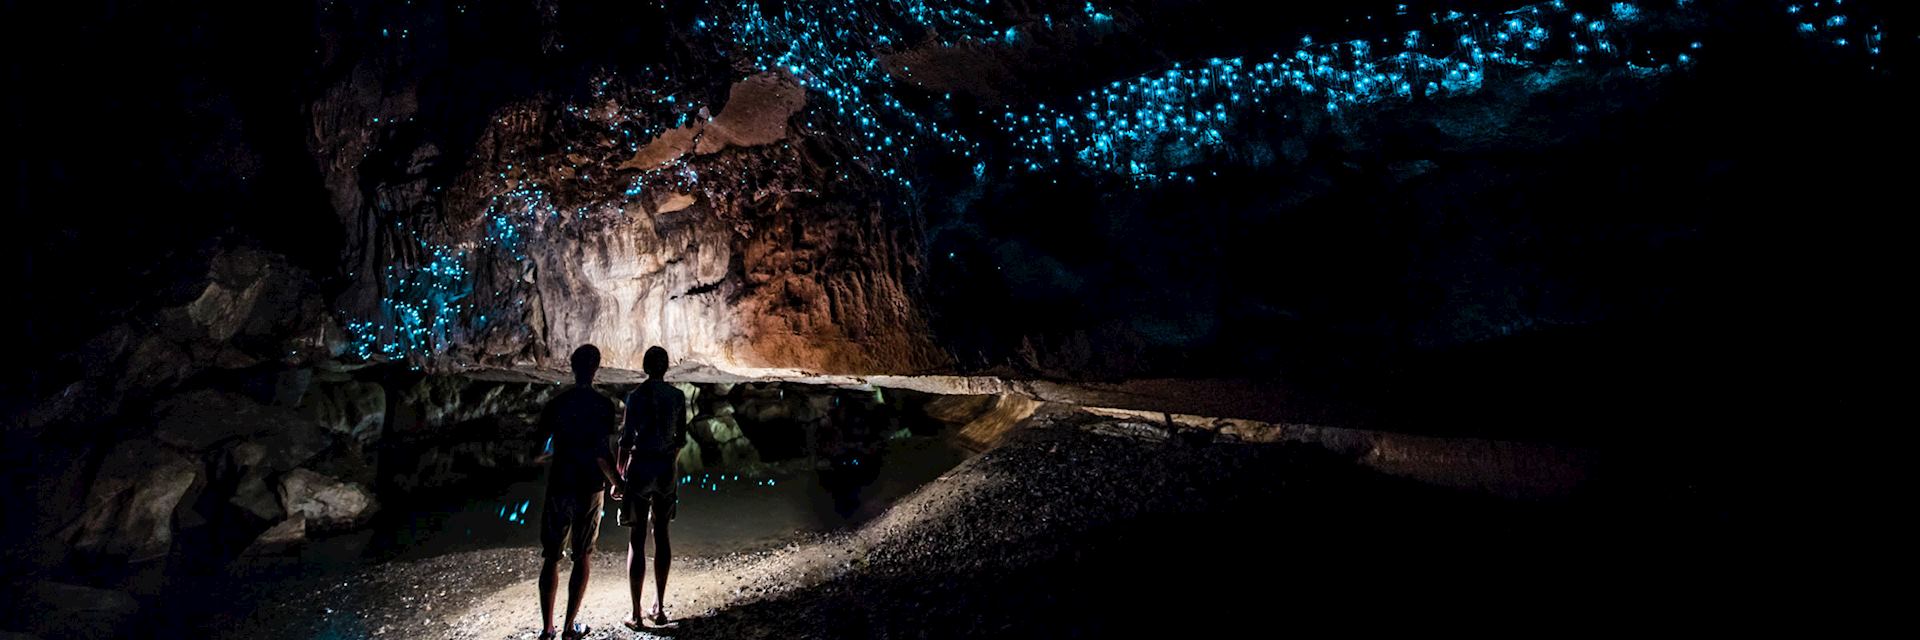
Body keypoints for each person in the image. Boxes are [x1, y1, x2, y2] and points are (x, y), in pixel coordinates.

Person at [535, 345, 622, 640]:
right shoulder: (603, 405)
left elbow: (537, 451)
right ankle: (569, 627)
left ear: (571, 366)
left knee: (551, 556)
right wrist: (617, 481)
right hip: (589, 486)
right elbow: (601, 450)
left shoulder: (556, 404)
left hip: (560, 482)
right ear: (596, 368)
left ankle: (547, 628)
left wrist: (557, 450)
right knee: (582, 555)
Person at [619, 346, 688, 629]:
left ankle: (636, 614)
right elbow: (681, 438)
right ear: (666, 367)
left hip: (641, 465)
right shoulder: (677, 396)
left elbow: (625, 439)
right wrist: (670, 461)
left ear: (645, 366)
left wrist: (621, 475)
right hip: (665, 467)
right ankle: (659, 608)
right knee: (662, 533)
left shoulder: (636, 397)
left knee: (637, 538)